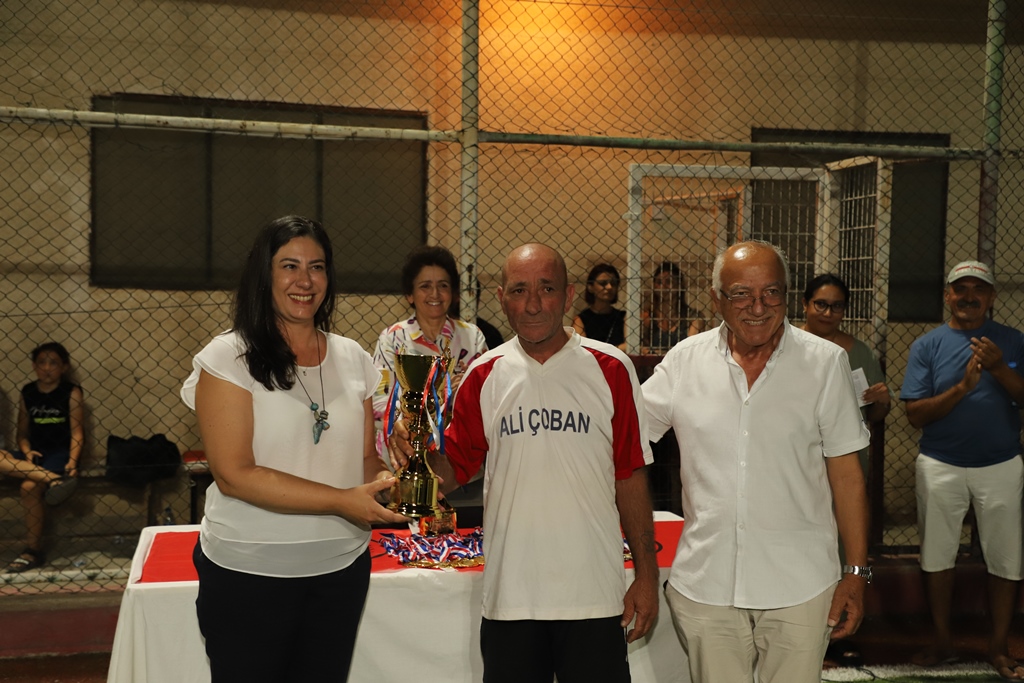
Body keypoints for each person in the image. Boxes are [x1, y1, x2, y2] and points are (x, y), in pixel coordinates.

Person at [390, 243, 659, 683]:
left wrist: (646, 576)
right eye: (519, 290)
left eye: (546, 289)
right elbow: (451, 471)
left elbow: (629, 475)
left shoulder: (611, 368)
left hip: (593, 594)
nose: (533, 304)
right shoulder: (484, 374)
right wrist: (414, 447)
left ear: (569, 296)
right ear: (502, 298)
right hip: (511, 599)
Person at [180, 215, 408, 683]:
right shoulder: (227, 358)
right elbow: (234, 474)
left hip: (340, 570)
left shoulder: (353, 358)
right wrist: (342, 500)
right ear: (264, 275)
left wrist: (395, 481)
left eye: (316, 267)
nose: (305, 281)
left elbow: (365, 460)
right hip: (249, 573)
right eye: (289, 266)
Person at [643, 241, 870, 683]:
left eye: (771, 292)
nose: (758, 307)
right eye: (741, 294)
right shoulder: (684, 362)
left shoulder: (826, 363)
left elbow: (847, 477)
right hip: (706, 584)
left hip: (802, 585)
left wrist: (856, 573)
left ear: (788, 296)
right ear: (717, 299)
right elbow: (625, 443)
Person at [900, 260, 1024, 681]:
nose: (969, 296)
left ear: (991, 297)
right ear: (947, 295)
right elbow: (915, 414)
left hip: (1002, 464)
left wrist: (1000, 368)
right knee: (937, 555)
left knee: (1006, 559)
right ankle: (942, 641)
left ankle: (998, 647)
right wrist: (962, 389)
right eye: (961, 288)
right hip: (940, 464)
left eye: (978, 289)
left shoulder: (1013, 341)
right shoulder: (927, 346)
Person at [372, 245, 488, 458]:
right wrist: (435, 403)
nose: (435, 294)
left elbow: (485, 397)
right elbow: (380, 400)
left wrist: (464, 392)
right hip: (403, 452)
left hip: (456, 453)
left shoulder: (473, 337)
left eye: (443, 285)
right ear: (410, 294)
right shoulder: (392, 338)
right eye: (425, 286)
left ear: (453, 293)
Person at [0, 342, 83, 572]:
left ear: (64, 367)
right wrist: (26, 451)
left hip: (59, 454)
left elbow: (77, 433)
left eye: (53, 363)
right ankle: (54, 480)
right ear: (34, 366)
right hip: (34, 454)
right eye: (41, 363)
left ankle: (32, 551)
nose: (47, 368)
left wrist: (72, 462)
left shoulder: (71, 392)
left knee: (29, 487)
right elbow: (22, 433)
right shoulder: (28, 391)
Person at [801, 273, 892, 478]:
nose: (828, 313)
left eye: (837, 306)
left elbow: (874, 415)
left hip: (846, 459)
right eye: (820, 304)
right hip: (799, 458)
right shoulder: (786, 348)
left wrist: (882, 401)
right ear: (805, 304)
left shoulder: (860, 353)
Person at [642, 262, 705, 353]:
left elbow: (690, 350)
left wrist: (656, 352)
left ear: (679, 285)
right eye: (659, 282)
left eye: (668, 282)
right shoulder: (647, 316)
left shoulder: (693, 317)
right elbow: (638, 347)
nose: (663, 286)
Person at [572, 263, 626, 350]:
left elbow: (630, 346)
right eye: (603, 283)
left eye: (613, 283)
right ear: (590, 287)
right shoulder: (581, 319)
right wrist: (618, 349)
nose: (609, 287)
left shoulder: (623, 317)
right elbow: (582, 350)